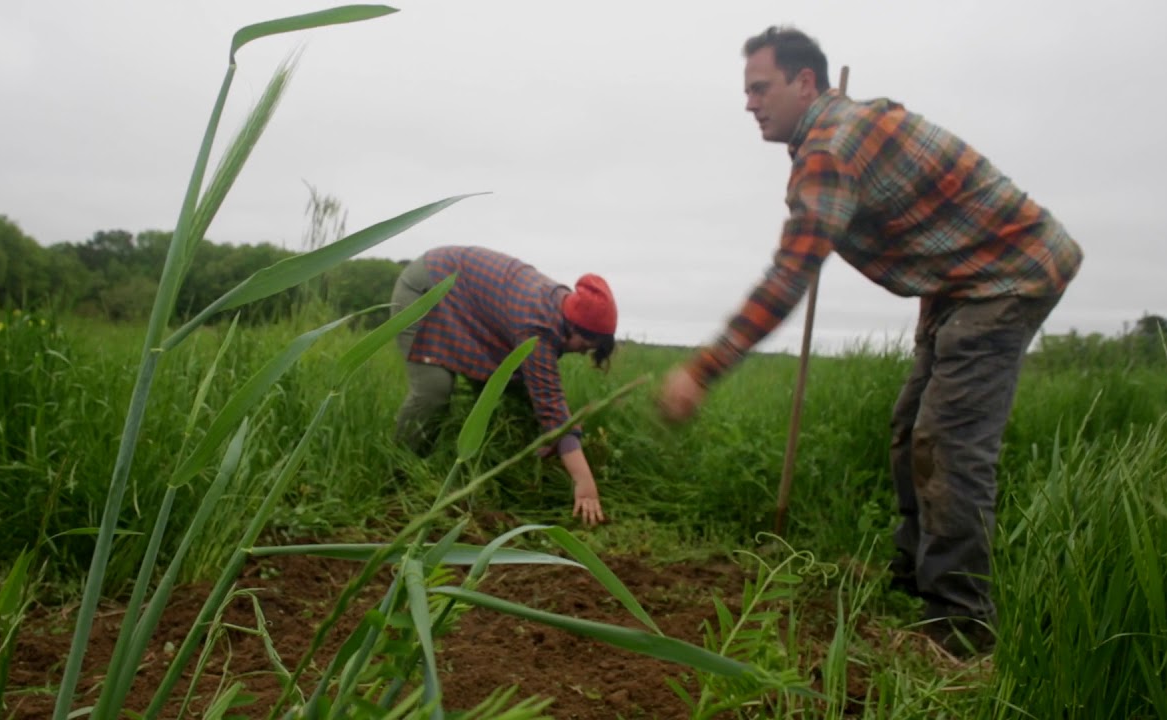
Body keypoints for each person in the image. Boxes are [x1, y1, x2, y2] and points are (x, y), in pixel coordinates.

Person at [657, 26, 1083, 657]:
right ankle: (912, 584)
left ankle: (960, 635)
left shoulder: (830, 146)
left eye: (760, 87)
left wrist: (704, 369)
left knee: (949, 446)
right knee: (910, 426)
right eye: (746, 90)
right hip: (965, 284)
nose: (749, 102)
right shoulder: (842, 129)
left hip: (1009, 277)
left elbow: (790, 273)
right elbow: (934, 225)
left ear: (806, 82)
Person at [391, 245, 617, 526]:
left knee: (514, 394)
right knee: (434, 390)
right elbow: (552, 407)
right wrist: (585, 485)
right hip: (428, 288)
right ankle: (398, 480)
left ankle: (512, 470)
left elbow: (539, 398)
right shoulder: (538, 324)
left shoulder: (559, 305)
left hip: (467, 307)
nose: (582, 353)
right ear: (571, 326)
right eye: (584, 345)